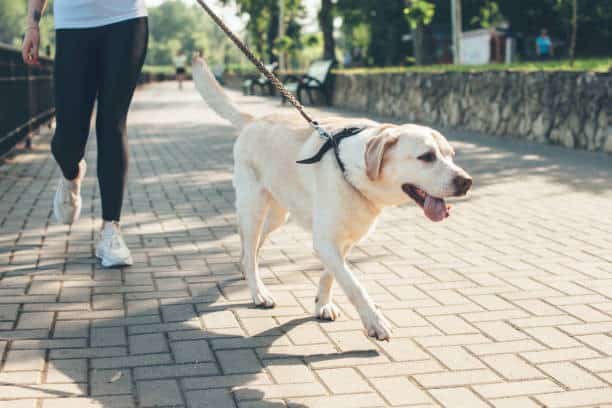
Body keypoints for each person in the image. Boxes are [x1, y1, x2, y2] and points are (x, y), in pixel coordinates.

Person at [22, 0, 148, 268]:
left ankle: (110, 230)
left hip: (126, 19)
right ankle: (71, 172)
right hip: (74, 24)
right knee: (68, 138)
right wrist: (33, 23)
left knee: (112, 124)